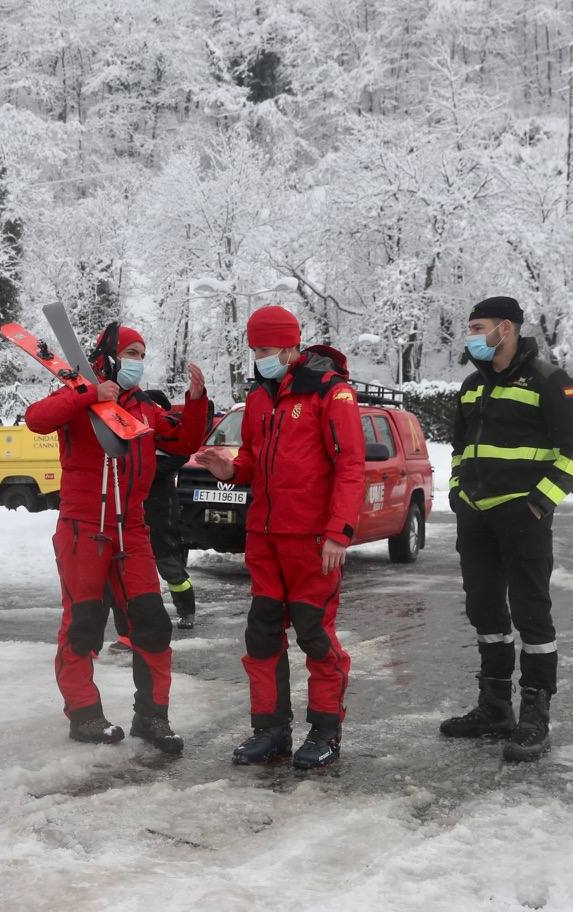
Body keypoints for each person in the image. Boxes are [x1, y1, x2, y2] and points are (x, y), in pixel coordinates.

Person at [25, 326, 208, 753]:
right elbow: (37, 419)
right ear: (109, 355)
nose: (137, 361)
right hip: (83, 528)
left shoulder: (144, 408)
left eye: (142, 353)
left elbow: (184, 438)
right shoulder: (78, 396)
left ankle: (152, 717)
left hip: (133, 530)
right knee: (83, 625)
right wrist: (89, 394)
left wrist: (197, 402)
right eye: (130, 352)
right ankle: (85, 715)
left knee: (152, 624)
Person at [198, 306, 365, 771]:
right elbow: (254, 460)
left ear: (293, 347)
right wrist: (231, 469)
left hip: (312, 540)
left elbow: (351, 466)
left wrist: (338, 533)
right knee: (262, 635)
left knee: (315, 635)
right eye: (254, 350)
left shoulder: (331, 393)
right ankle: (270, 731)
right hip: (265, 538)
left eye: (267, 350)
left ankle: (325, 732)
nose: (260, 358)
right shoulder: (258, 399)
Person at [440, 296, 573, 762]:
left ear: (505, 329)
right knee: (484, 611)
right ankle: (494, 708)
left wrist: (539, 503)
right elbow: (460, 448)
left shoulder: (549, 380)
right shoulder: (471, 386)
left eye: (477, 327)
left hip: (522, 516)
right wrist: (456, 491)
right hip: (476, 515)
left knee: (532, 614)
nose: (471, 336)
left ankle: (535, 716)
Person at [109, 389, 207, 652]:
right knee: (125, 571)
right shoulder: (131, 437)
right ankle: (128, 631)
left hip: (161, 506)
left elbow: (180, 456)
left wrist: (147, 468)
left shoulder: (169, 443)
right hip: (131, 506)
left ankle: (187, 610)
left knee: (169, 565)